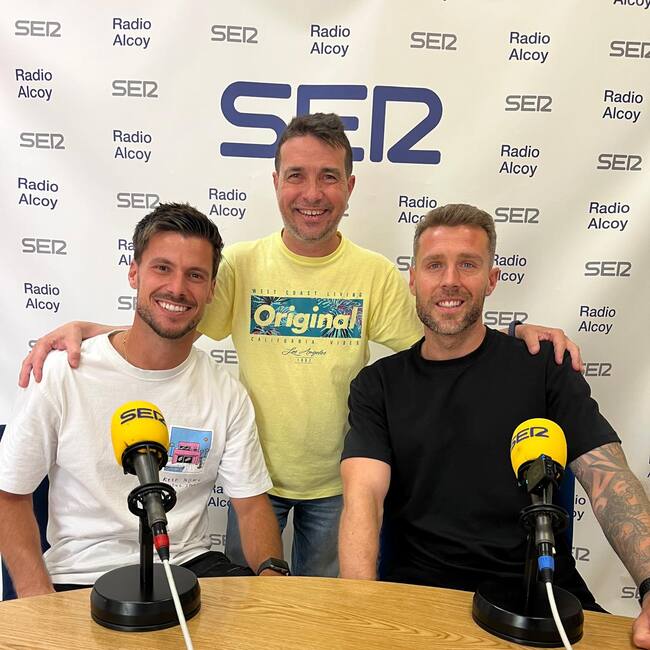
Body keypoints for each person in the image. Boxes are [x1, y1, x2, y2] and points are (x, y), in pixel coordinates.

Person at [18, 115, 582, 578]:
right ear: (275, 183)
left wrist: (515, 336)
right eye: (296, 176)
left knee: (321, 620)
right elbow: (171, 315)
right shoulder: (239, 265)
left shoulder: (374, 274)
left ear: (350, 187)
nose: (312, 193)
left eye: (329, 177)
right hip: (250, 484)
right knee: (252, 608)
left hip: (339, 485)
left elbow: (446, 331)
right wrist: (94, 331)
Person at [338, 203, 650, 648]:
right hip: (422, 599)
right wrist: (358, 611)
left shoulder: (544, 367)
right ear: (413, 279)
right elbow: (363, 499)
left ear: (491, 279)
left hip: (540, 596)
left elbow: (608, 479)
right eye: (434, 265)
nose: (449, 280)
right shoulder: (378, 385)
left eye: (468, 264)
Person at [0, 203, 286, 597]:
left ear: (211, 289)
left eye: (195, 275)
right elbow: (8, 494)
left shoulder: (226, 393)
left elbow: (251, 507)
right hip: (82, 576)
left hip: (189, 567)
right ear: (134, 272)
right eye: (162, 268)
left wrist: (272, 577)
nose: (177, 288)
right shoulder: (62, 372)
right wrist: (39, 600)